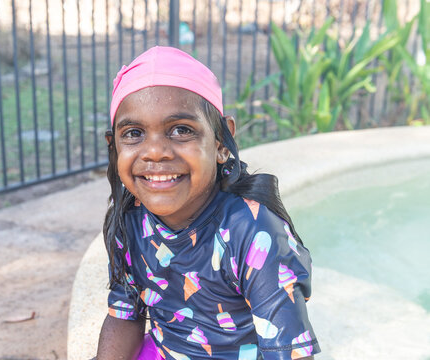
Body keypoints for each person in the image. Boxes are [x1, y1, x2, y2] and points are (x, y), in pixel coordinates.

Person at [96, 46, 320, 360]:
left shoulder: (252, 232)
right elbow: (126, 314)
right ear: (114, 146)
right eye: (134, 133)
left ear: (220, 142)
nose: (155, 151)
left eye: (181, 130)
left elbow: (288, 353)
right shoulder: (130, 221)